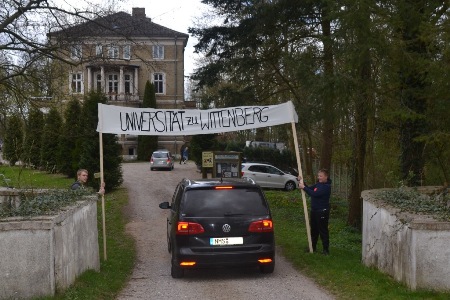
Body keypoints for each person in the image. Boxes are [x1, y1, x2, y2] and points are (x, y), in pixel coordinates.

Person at [298, 169, 331, 255]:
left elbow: (314, 194)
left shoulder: (327, 187)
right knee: (314, 230)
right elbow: (309, 189)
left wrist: (304, 187)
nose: (319, 177)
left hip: (322, 211)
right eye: (318, 176)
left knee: (323, 230)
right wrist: (301, 182)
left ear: (326, 177)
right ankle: (312, 247)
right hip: (314, 211)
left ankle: (325, 250)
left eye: (321, 176)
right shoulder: (318, 184)